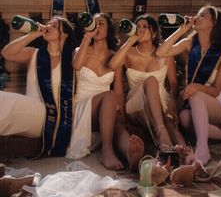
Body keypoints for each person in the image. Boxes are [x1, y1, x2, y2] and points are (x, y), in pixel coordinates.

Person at [156, 5, 221, 166]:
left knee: (195, 93)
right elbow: (161, 52)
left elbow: (215, 91)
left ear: (213, 23)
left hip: (217, 104)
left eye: (203, 16)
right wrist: (181, 30)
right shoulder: (189, 43)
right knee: (186, 119)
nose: (197, 18)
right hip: (194, 103)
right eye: (197, 15)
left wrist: (196, 87)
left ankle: (202, 149)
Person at [66, 13, 144, 171]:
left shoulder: (115, 56)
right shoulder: (81, 50)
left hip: (107, 108)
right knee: (109, 96)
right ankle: (106, 151)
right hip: (83, 107)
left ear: (108, 29)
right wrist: (87, 37)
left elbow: (119, 91)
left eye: (101, 23)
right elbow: (76, 65)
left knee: (118, 125)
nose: (96, 26)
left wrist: (122, 116)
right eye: (94, 23)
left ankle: (131, 155)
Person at [109, 14, 187, 156]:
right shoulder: (127, 54)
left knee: (170, 125)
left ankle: (186, 157)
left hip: (162, 103)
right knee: (151, 81)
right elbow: (116, 79)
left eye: (146, 27)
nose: (141, 30)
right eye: (138, 27)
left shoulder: (165, 53)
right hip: (136, 105)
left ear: (155, 33)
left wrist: (173, 106)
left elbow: (174, 84)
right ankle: (161, 133)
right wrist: (122, 118)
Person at [0, 16, 76, 157]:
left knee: (5, 101)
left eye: (54, 25)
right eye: (48, 24)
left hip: (55, 119)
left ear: (64, 34)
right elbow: (6, 53)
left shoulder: (71, 59)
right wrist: (33, 34)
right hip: (30, 111)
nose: (48, 26)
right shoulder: (34, 54)